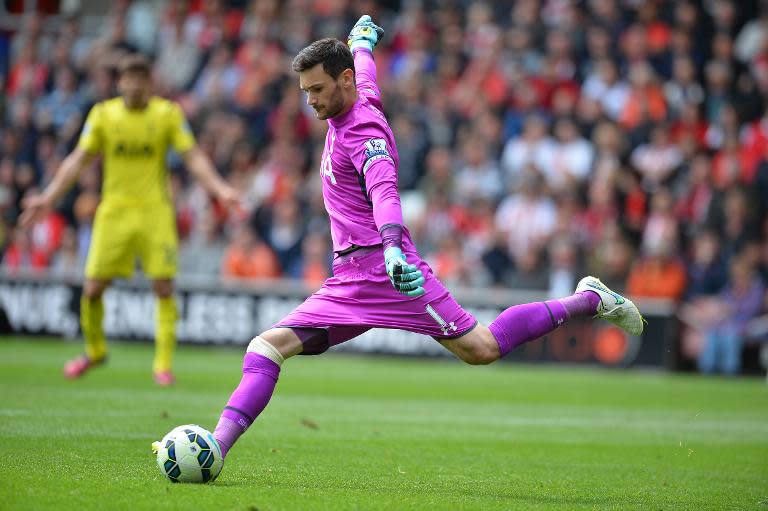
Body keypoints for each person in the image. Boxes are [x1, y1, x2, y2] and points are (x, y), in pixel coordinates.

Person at [155, 16, 643, 463]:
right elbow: (364, 66)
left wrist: (391, 249)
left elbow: (385, 192)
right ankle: (216, 447)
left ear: (342, 81)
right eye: (305, 91)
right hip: (348, 276)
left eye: (317, 89)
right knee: (265, 347)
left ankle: (588, 299)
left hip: (386, 272)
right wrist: (362, 42)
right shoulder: (356, 89)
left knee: (482, 349)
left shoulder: (362, 130)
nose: (311, 101)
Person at [20, 54, 240, 386]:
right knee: (93, 288)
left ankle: (162, 365)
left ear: (150, 83)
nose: (135, 84)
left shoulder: (167, 114)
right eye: (129, 78)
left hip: (155, 212)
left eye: (141, 78)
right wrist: (48, 198)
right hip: (114, 212)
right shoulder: (104, 115)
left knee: (163, 287)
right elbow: (78, 159)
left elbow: (192, 156)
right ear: (120, 82)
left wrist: (221, 189)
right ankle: (94, 352)